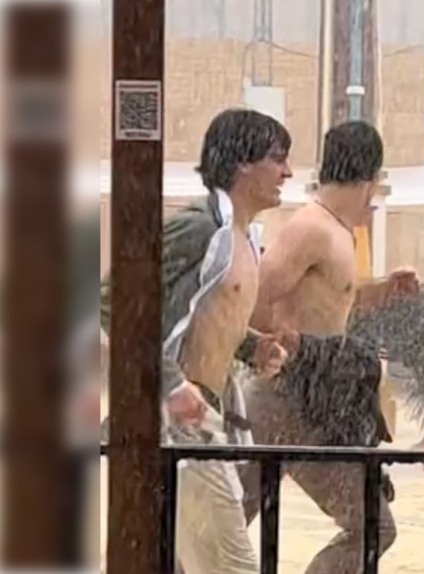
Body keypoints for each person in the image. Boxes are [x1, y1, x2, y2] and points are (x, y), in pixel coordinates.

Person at [99, 108, 294, 574]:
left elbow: (209, 317)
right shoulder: (201, 227)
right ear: (243, 163)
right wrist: (170, 385)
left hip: (199, 418)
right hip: (179, 422)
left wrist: (251, 348)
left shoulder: (244, 237)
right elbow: (113, 300)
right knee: (231, 566)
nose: (287, 172)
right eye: (277, 158)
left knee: (166, 558)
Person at [240, 120, 418, 574]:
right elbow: (254, 294)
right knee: (221, 526)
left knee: (225, 523)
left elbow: (332, 303)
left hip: (309, 397)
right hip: (284, 396)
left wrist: (382, 290)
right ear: (371, 179)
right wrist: (276, 347)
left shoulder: (335, 230)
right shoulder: (312, 228)